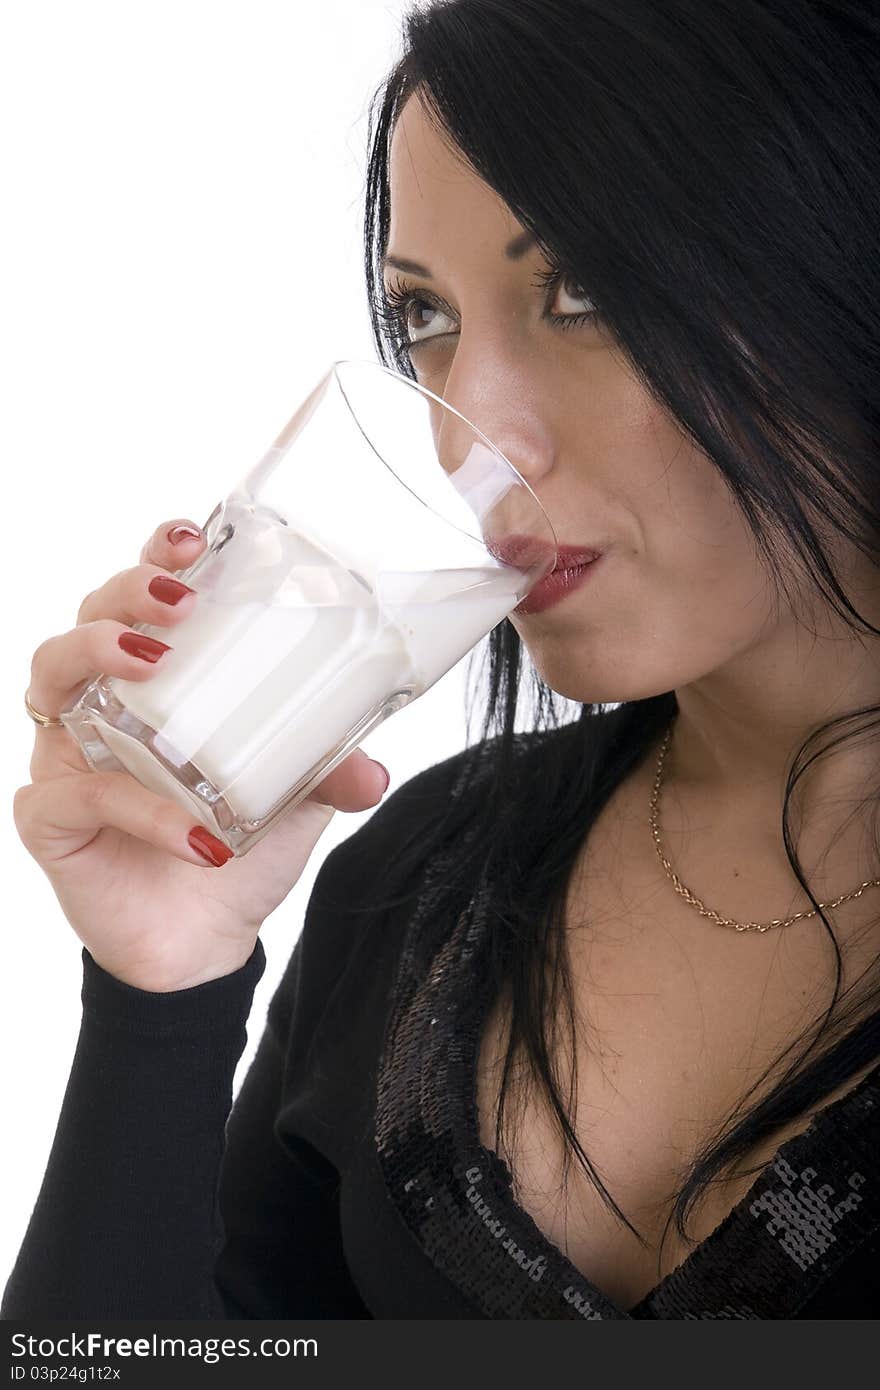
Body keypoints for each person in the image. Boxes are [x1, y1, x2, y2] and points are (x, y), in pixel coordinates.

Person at [4, 0, 880, 1320]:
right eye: (425, 318)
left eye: (583, 293)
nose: (476, 445)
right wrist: (162, 987)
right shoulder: (420, 880)